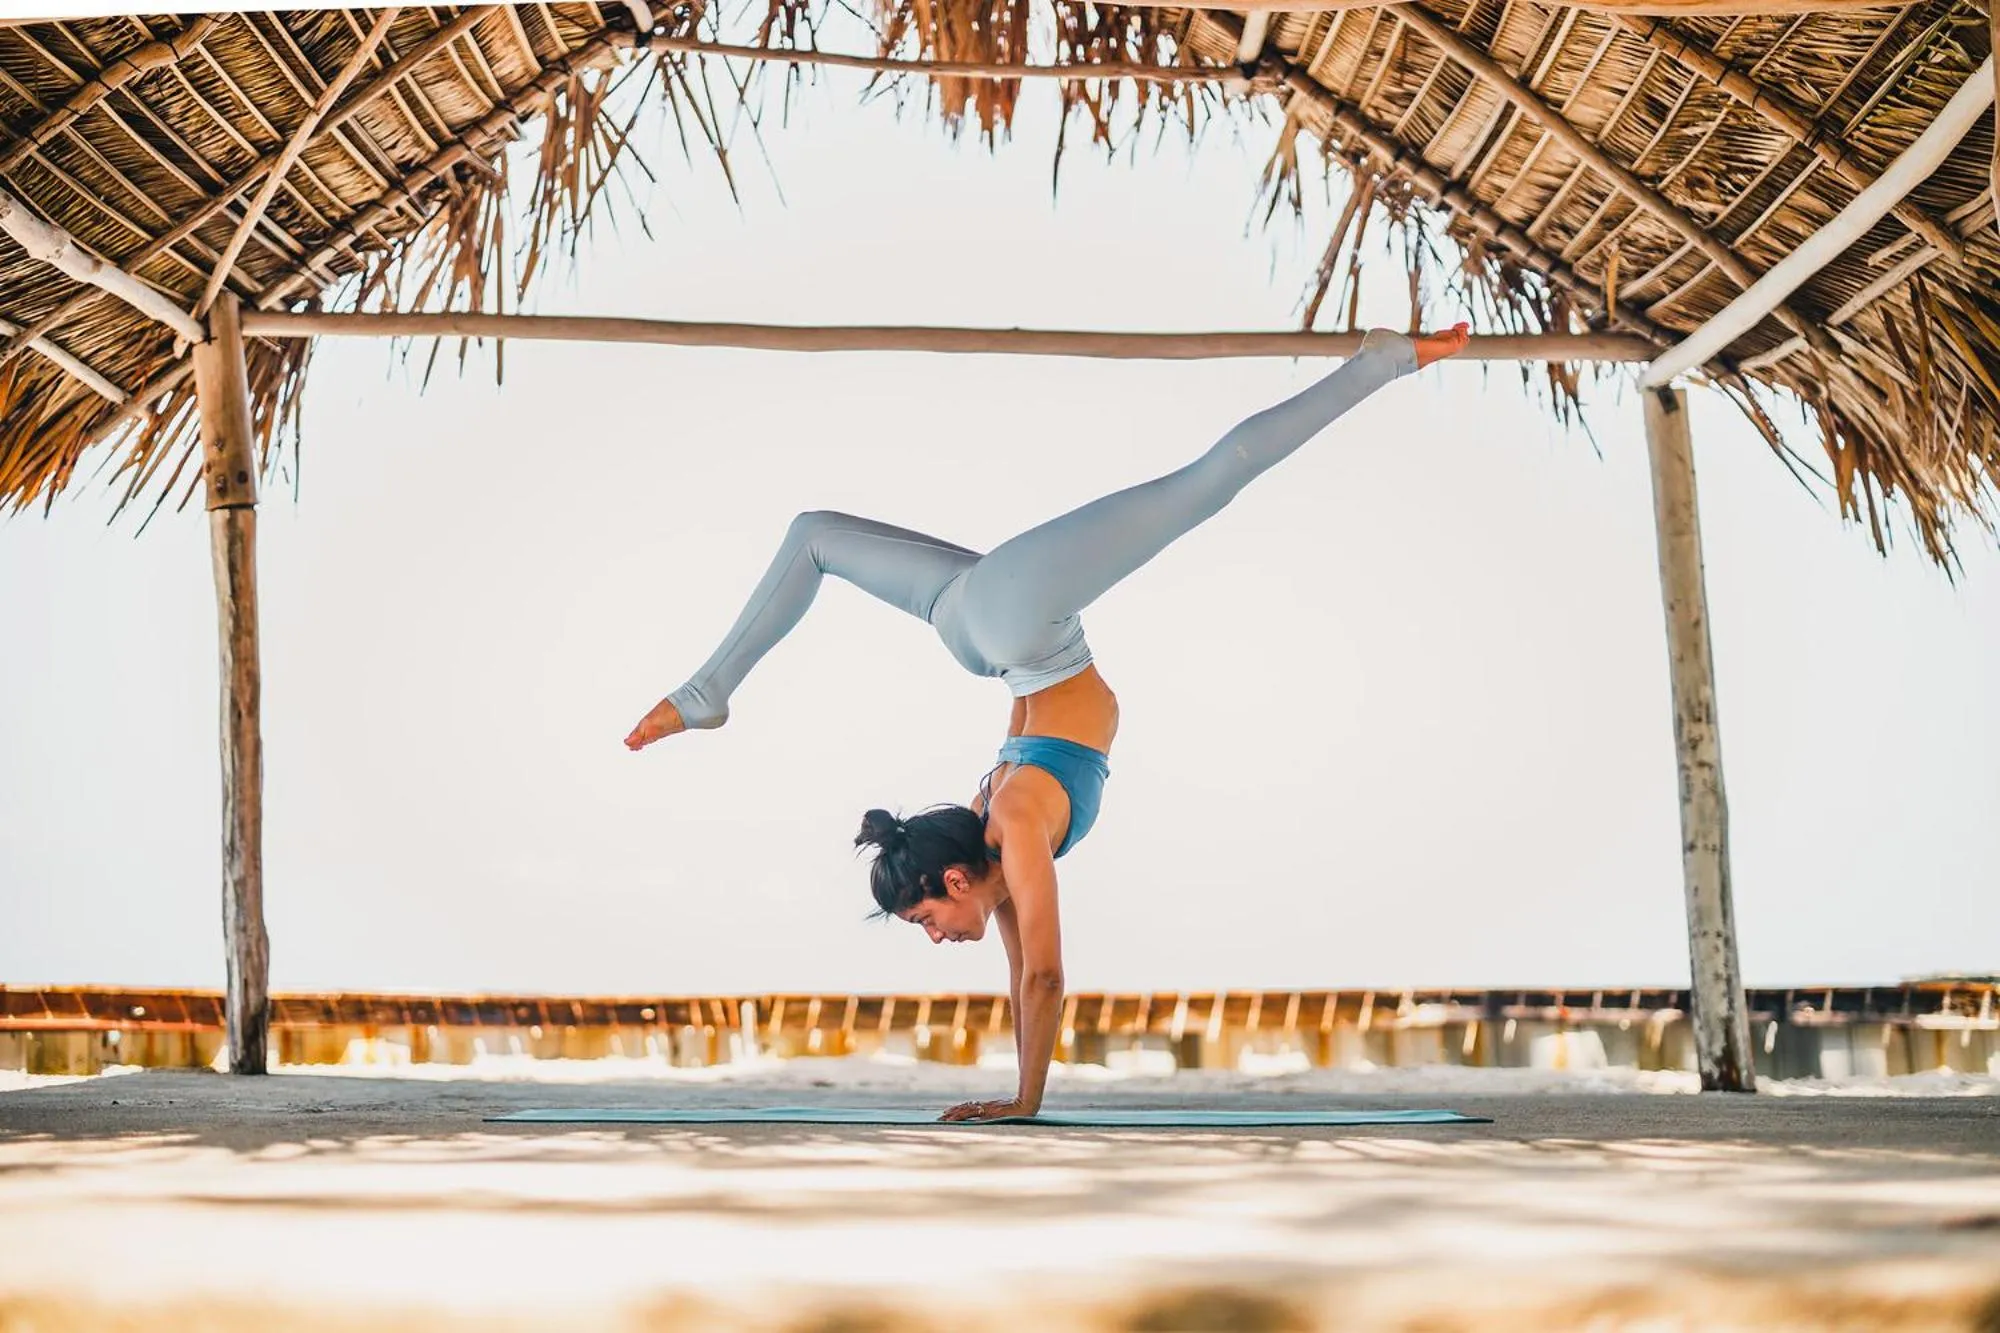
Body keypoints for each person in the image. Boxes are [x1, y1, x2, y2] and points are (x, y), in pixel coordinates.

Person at [625, 323, 1471, 1120]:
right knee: (814, 535)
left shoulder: (1018, 821)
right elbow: (1025, 970)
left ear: (953, 880)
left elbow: (1048, 976)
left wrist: (1027, 1100)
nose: (934, 939)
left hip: (1017, 624)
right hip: (977, 624)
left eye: (924, 920)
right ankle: (703, 694)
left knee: (1209, 481)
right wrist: (1014, 1091)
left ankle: (1383, 360)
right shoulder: (996, 843)